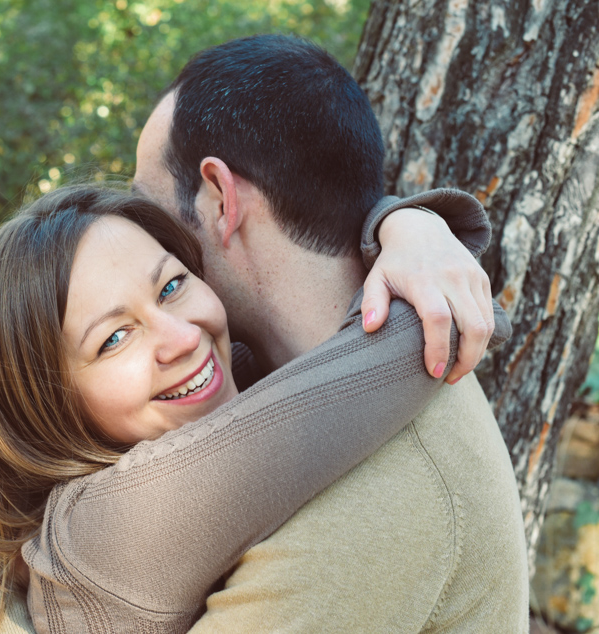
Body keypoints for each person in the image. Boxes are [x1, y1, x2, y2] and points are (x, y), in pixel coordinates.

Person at [0, 182, 511, 633]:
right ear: (48, 411)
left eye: (170, 287)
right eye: (113, 339)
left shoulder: (206, 395)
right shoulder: (105, 533)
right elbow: (424, 335)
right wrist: (424, 238)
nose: (183, 338)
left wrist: (402, 223)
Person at [130, 35, 528, 632]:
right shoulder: (288, 365)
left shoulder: (367, 510)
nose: (147, 243)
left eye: (150, 209)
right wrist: (404, 220)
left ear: (220, 199)